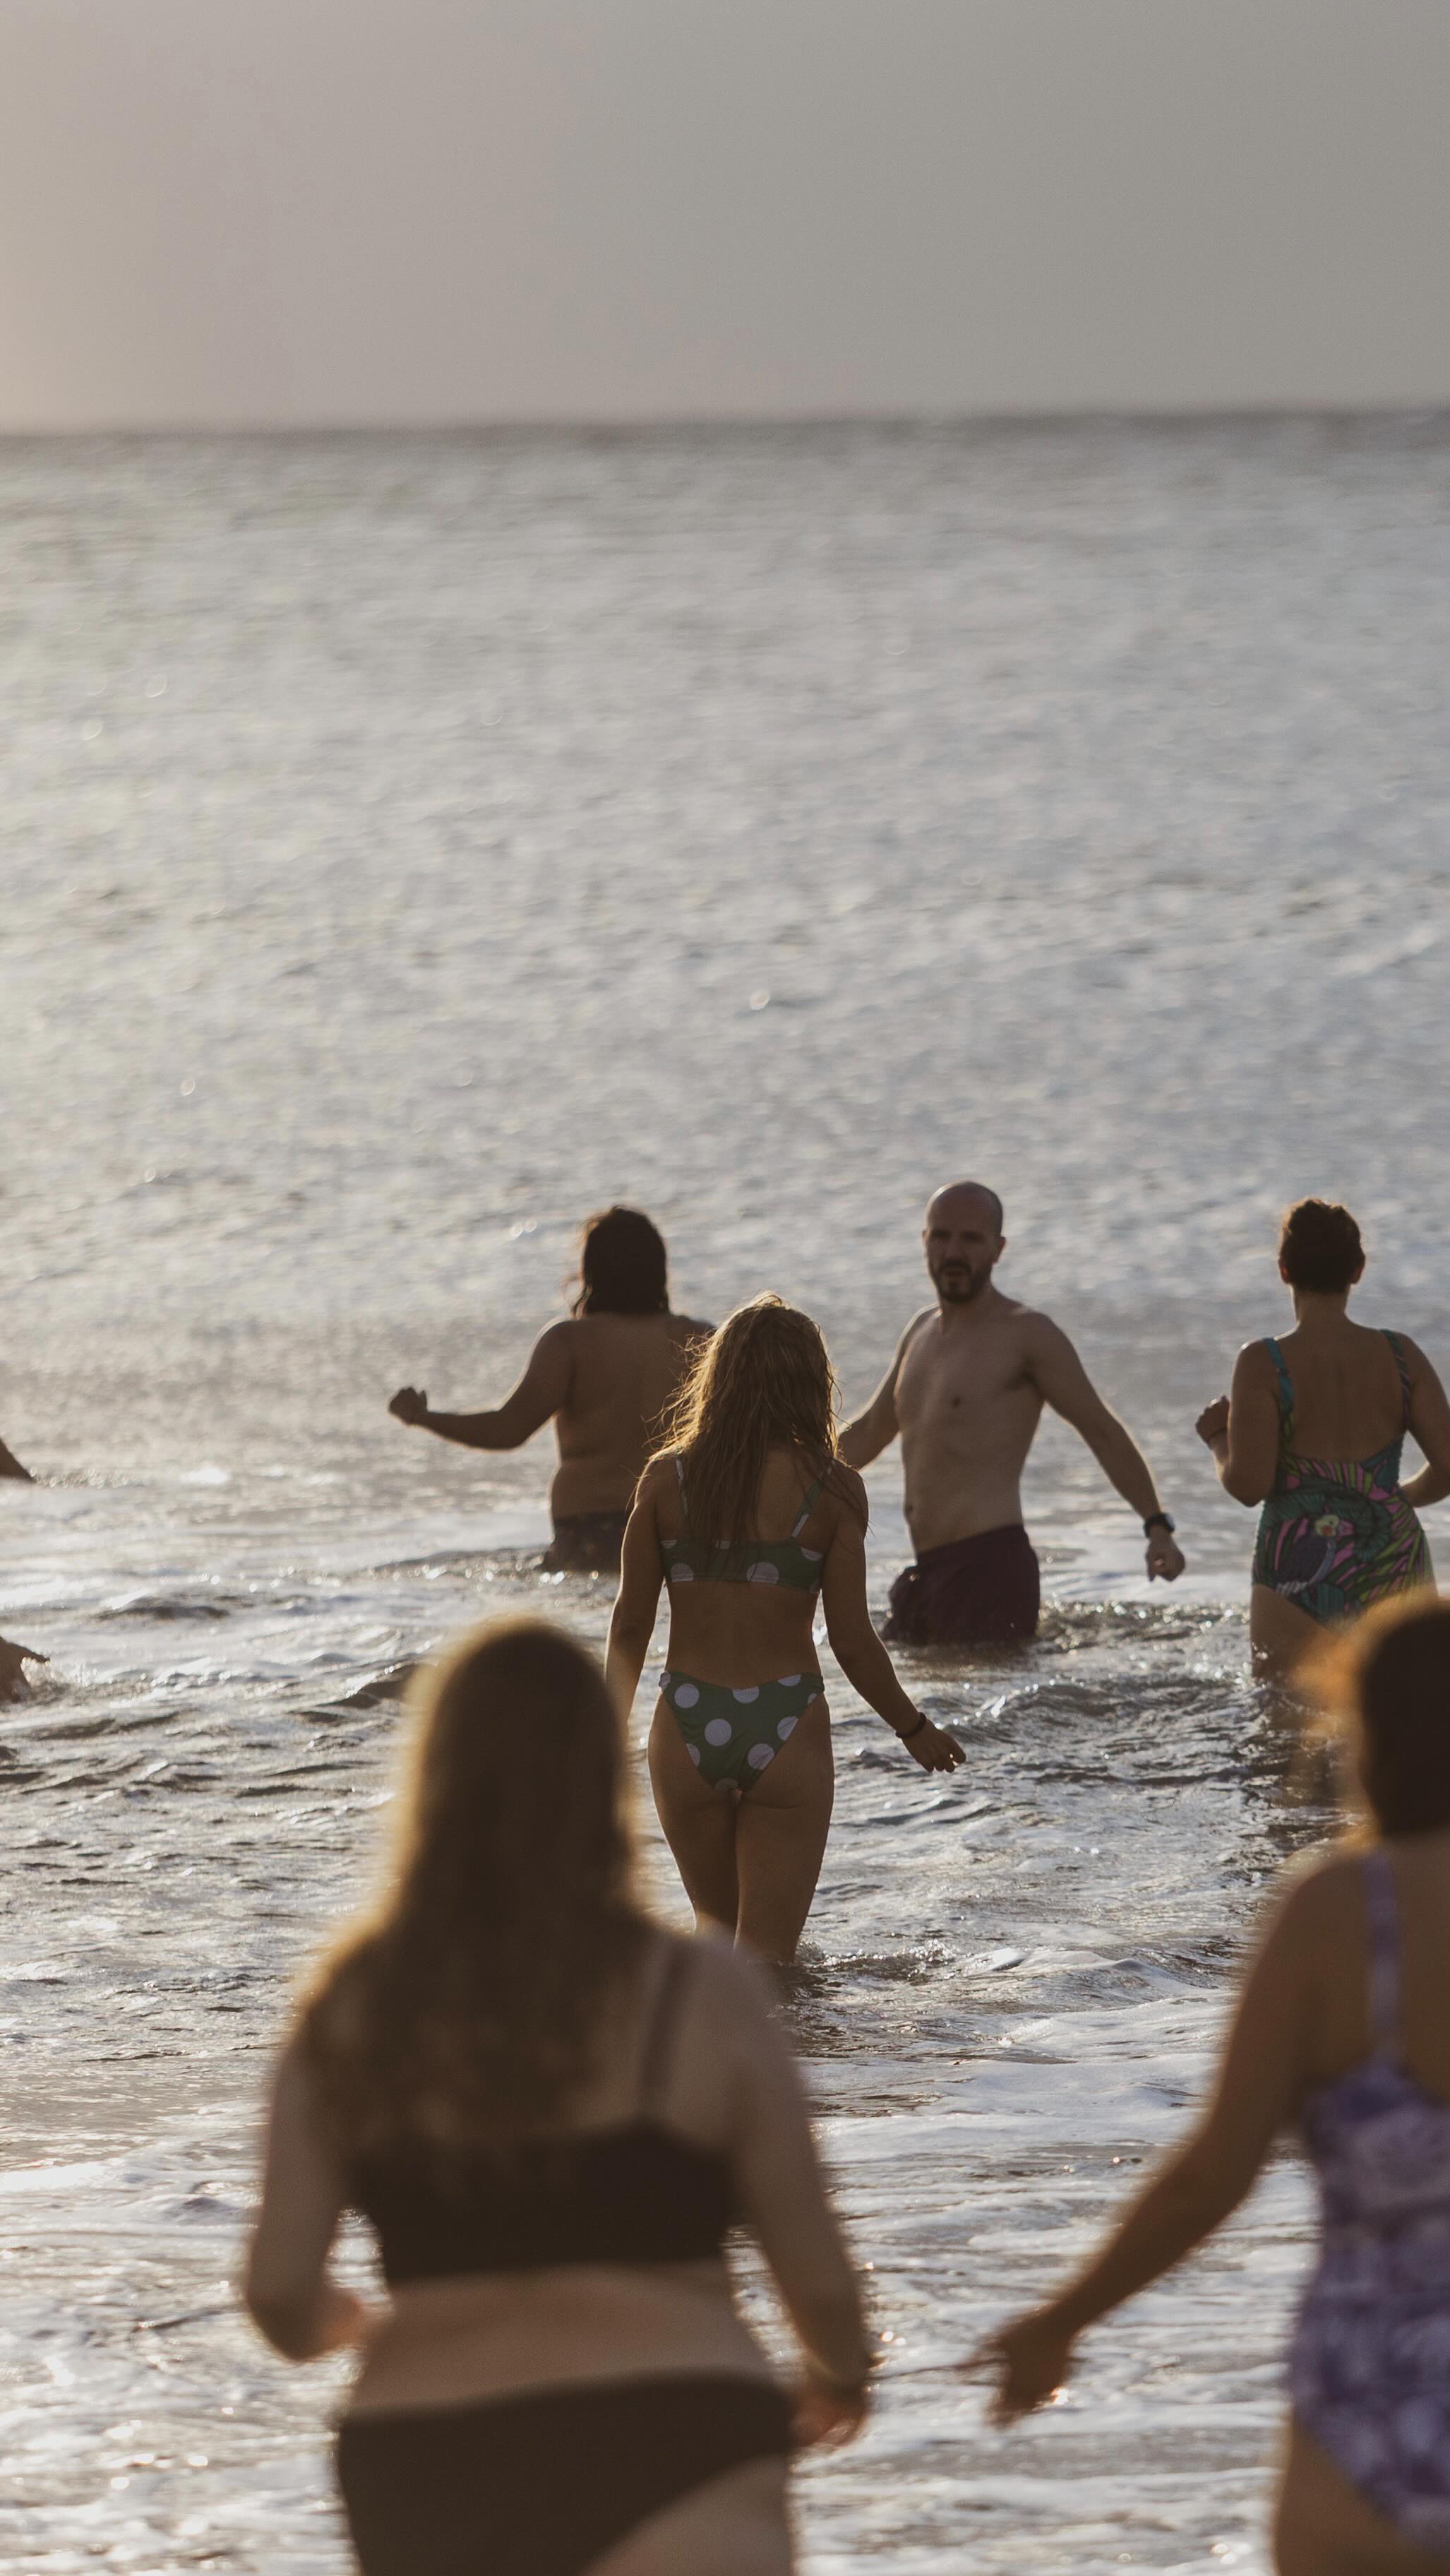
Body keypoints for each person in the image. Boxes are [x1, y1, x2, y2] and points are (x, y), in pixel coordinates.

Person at [245, 1618, 873, 2576]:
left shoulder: (351, 2007)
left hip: (425, 2455)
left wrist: (362, 2325)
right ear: (600, 1782)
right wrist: (840, 2377)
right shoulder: (699, 1990)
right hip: (676, 2433)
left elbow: (278, 2294)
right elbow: (818, 2282)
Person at [973, 1590, 1450, 2575]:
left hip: (1366, 2431)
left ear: (1369, 1738)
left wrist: (1060, 2322)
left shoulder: (1335, 1914)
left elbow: (1212, 2175)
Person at [606, 1296, 963, 1967]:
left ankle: (707, 2040)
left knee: (716, 1951)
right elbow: (851, 1640)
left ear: (718, 1379)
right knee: (770, 1964)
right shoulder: (833, 1490)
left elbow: (630, 1626)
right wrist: (912, 1727)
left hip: (687, 1720)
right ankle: (784, 2041)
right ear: (812, 1384)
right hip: (786, 1722)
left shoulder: (665, 1480)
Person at [839, 1182, 1185, 1648]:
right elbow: (869, 1432)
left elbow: (1101, 1430)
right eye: (941, 1236)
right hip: (927, 1572)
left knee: (966, 1695)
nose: (953, 1252)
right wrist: (778, 1477)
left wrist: (1157, 1527)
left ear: (998, 1249)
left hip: (990, 1567)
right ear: (924, 1241)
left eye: (971, 1239)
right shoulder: (919, 1332)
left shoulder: (1027, 1335)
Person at [1195, 1199, 1450, 1685]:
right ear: (1358, 1270)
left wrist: (1217, 1439)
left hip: (1297, 1560)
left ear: (1284, 1269)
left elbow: (1249, 1485)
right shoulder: (1402, 1356)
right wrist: (1396, 1497)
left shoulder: (1264, 1362)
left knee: (1285, 1714)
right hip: (1391, 1555)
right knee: (1408, 1709)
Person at [389, 1207, 709, 1573]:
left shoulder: (569, 1342)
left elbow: (507, 1430)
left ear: (589, 1272)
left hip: (587, 1527)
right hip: (675, 1523)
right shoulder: (700, 1339)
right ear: (659, 1269)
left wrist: (423, 1417)